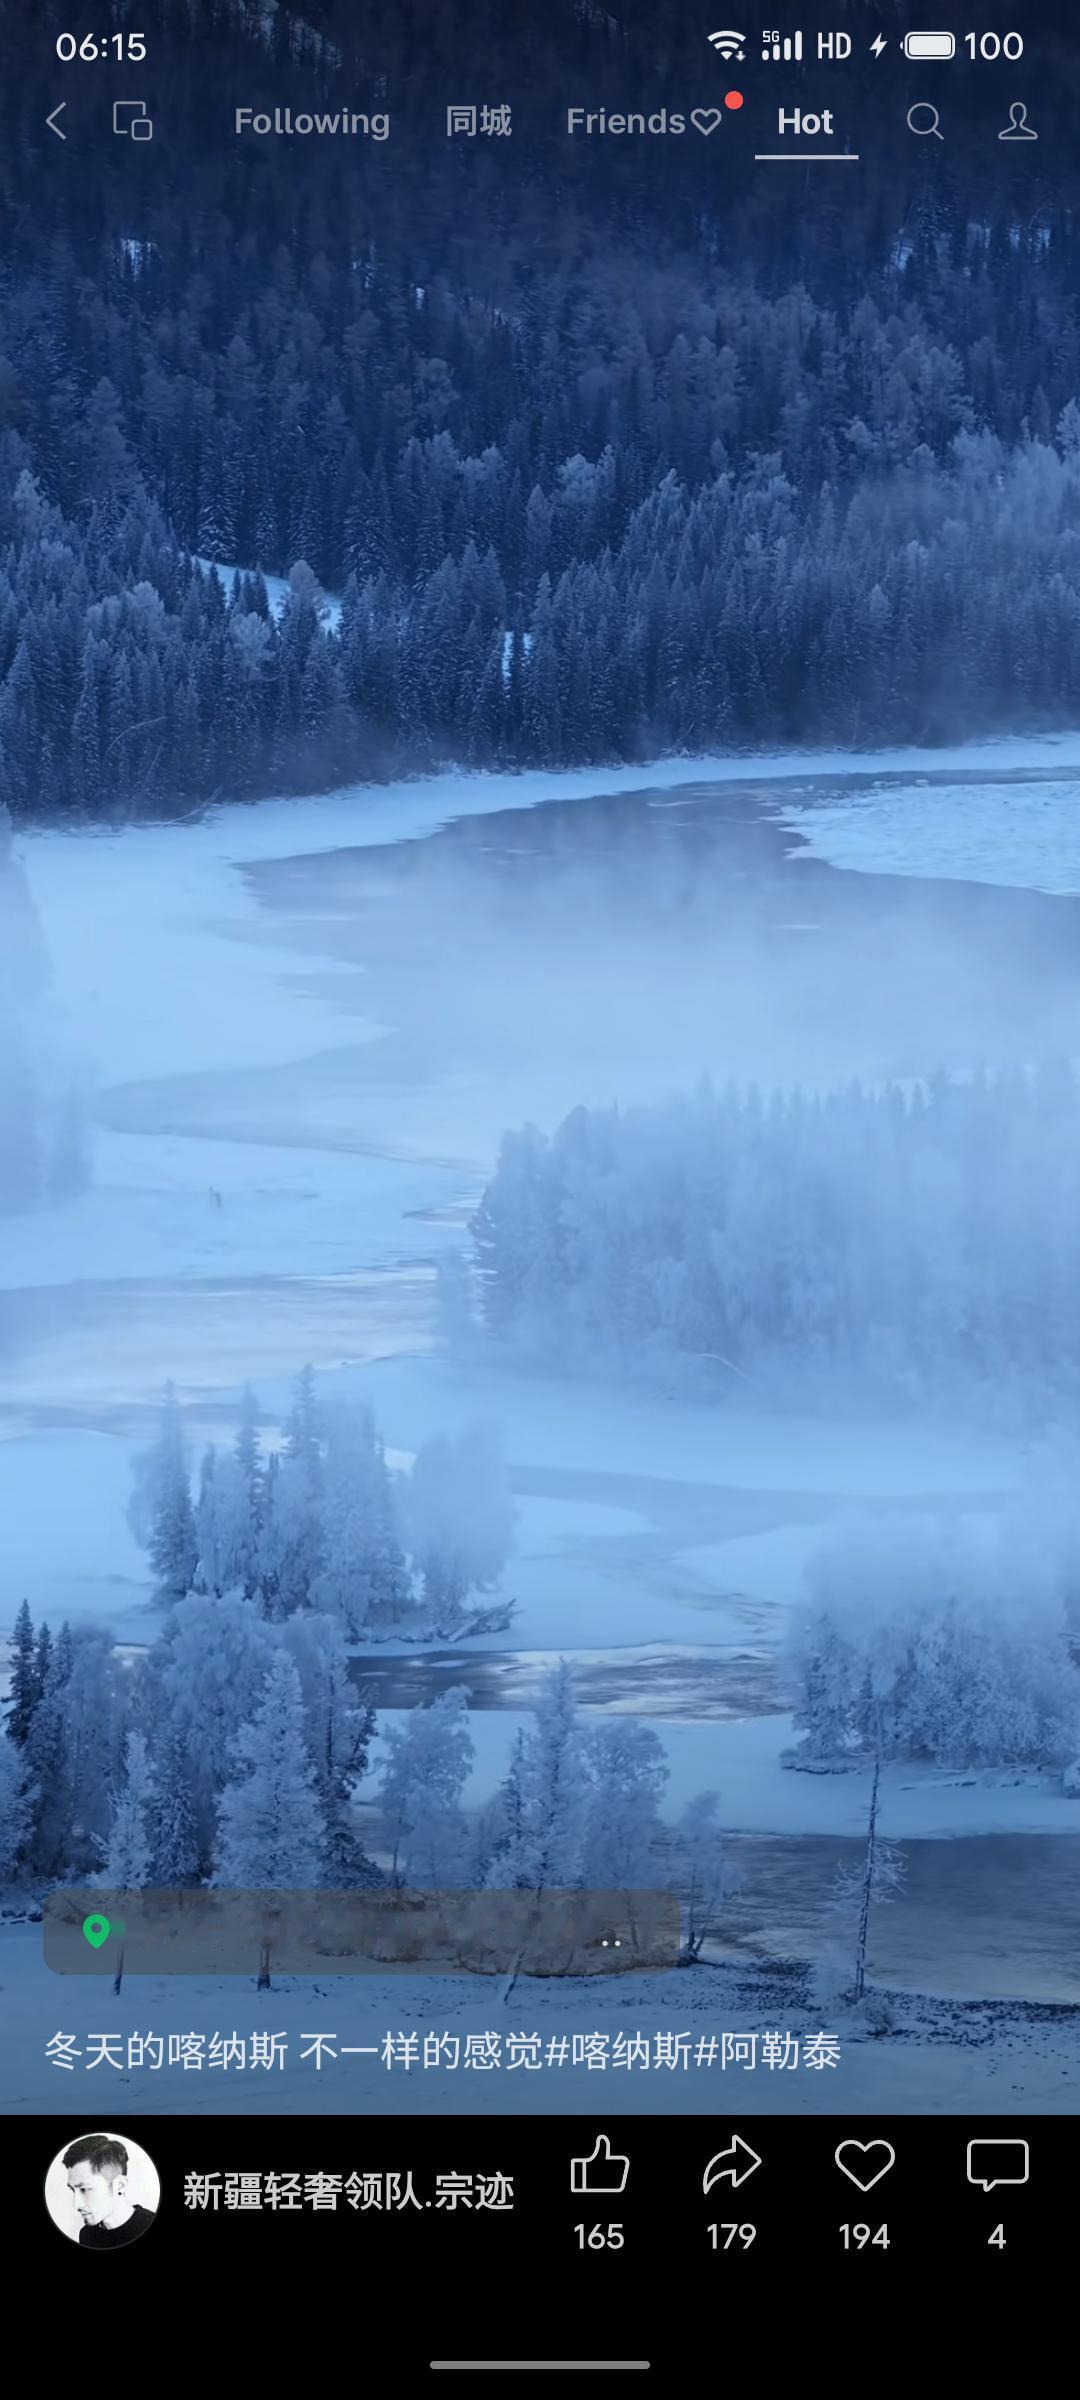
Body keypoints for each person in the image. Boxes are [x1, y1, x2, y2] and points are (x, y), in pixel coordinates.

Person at [63, 2134, 156, 2249]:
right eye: (72, 2189)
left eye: (84, 2189)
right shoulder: (87, 2235)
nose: (76, 2204)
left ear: (120, 2186)